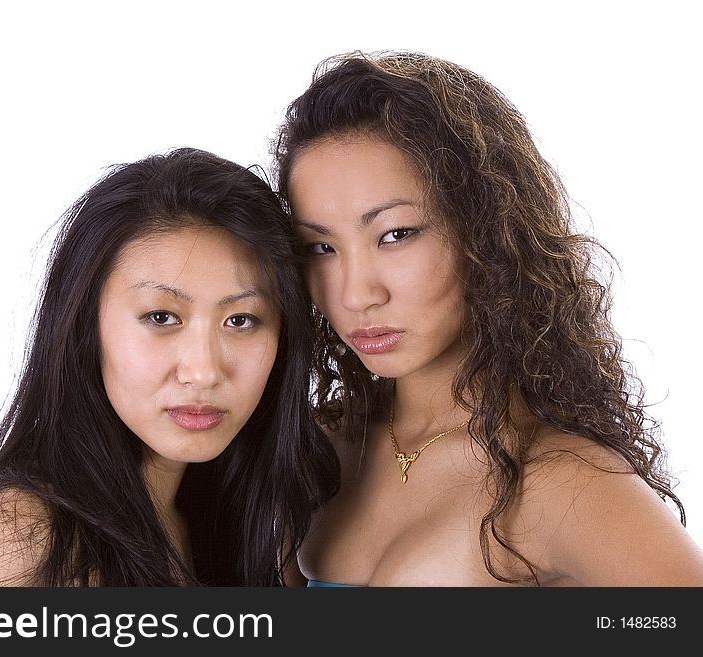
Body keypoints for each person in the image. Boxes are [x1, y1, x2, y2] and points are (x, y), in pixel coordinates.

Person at [273, 51, 703, 586]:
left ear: (485, 231)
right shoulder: (319, 449)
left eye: (395, 235)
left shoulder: (561, 480)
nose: (357, 293)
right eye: (320, 247)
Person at [0, 147, 338, 586]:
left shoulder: (235, 518)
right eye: (161, 317)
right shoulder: (20, 538)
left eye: (241, 320)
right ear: (85, 324)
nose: (204, 371)